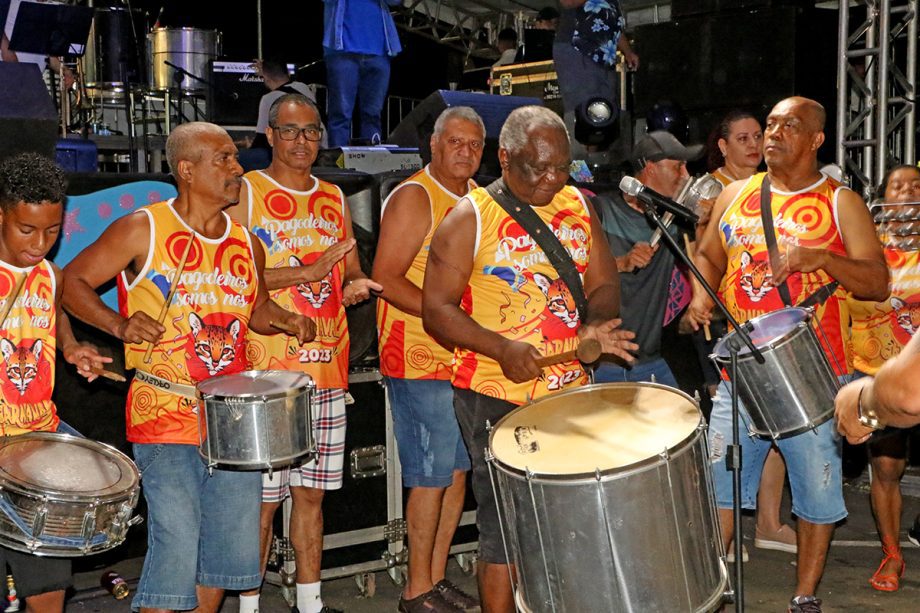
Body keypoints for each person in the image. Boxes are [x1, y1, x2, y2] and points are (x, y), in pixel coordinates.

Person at [61, 122, 315, 613]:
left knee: (220, 553)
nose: (237, 168)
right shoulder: (145, 228)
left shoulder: (247, 242)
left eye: (234, 159)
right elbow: (72, 282)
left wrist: (283, 318)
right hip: (164, 412)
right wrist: (117, 325)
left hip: (234, 423)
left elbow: (255, 308)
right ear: (186, 169)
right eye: (223, 158)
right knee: (177, 546)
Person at [421, 105, 638, 612]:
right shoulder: (470, 215)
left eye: (559, 167)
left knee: (564, 516)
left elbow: (603, 282)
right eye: (535, 167)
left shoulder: (578, 207)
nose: (549, 178)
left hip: (568, 392)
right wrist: (501, 348)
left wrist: (595, 323)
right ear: (504, 157)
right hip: (496, 394)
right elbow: (436, 310)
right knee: (505, 527)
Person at [685, 96, 889, 613]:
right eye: (769, 125)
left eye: (788, 126)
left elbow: (877, 282)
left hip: (815, 372)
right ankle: (713, 591)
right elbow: (709, 254)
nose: (773, 134)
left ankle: (803, 597)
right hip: (742, 372)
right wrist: (701, 296)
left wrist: (821, 258)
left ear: (816, 139)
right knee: (722, 482)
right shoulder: (734, 194)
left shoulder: (840, 202)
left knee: (816, 490)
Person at [230, 93, 380, 613]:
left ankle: (310, 604)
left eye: (311, 131)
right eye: (290, 131)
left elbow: (350, 270)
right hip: (268, 375)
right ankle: (249, 605)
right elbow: (236, 280)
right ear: (269, 135)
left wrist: (357, 283)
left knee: (311, 497)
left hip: (327, 371)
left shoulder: (334, 198)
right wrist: (306, 273)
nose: (302, 142)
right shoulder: (247, 191)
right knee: (262, 504)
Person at [373, 106, 486, 613]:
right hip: (418, 356)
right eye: (456, 142)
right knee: (430, 475)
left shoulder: (480, 201)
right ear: (434, 146)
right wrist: (446, 316)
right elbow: (386, 276)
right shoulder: (415, 196)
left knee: (458, 473)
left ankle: (435, 579)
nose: (465, 152)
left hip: (465, 359)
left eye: (474, 145)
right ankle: (416, 590)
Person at [0, 152, 110, 612]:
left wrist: (71, 348)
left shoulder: (50, 273)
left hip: (37, 443)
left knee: (47, 587)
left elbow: (54, 314)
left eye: (52, 230)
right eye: (27, 229)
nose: (40, 243)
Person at [836, 165, 920, 591]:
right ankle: (892, 556)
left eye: (915, 186)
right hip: (874, 378)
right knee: (887, 470)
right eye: (896, 186)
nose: (905, 193)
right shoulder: (867, 252)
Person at [592, 130, 703, 387]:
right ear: (651, 168)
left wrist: (708, 218)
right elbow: (577, 271)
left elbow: (701, 261)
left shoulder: (673, 219)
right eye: (678, 166)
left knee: (685, 423)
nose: (685, 175)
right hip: (605, 360)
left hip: (650, 359)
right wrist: (622, 263)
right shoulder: (601, 210)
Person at [322, 0, 402, 147]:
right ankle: (337, 164)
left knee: (373, 114)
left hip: (380, 52)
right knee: (341, 114)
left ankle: (372, 163)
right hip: (343, 51)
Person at [553, 0, 638, 120]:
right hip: (578, 48)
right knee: (583, 111)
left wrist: (628, 51)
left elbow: (612, 24)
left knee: (606, 112)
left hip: (604, 56)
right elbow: (567, 2)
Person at [252, 59, 327, 150]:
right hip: (319, 146)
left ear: (266, 78)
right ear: (288, 73)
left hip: (298, 150)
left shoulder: (268, 98)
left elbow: (261, 139)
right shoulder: (303, 87)